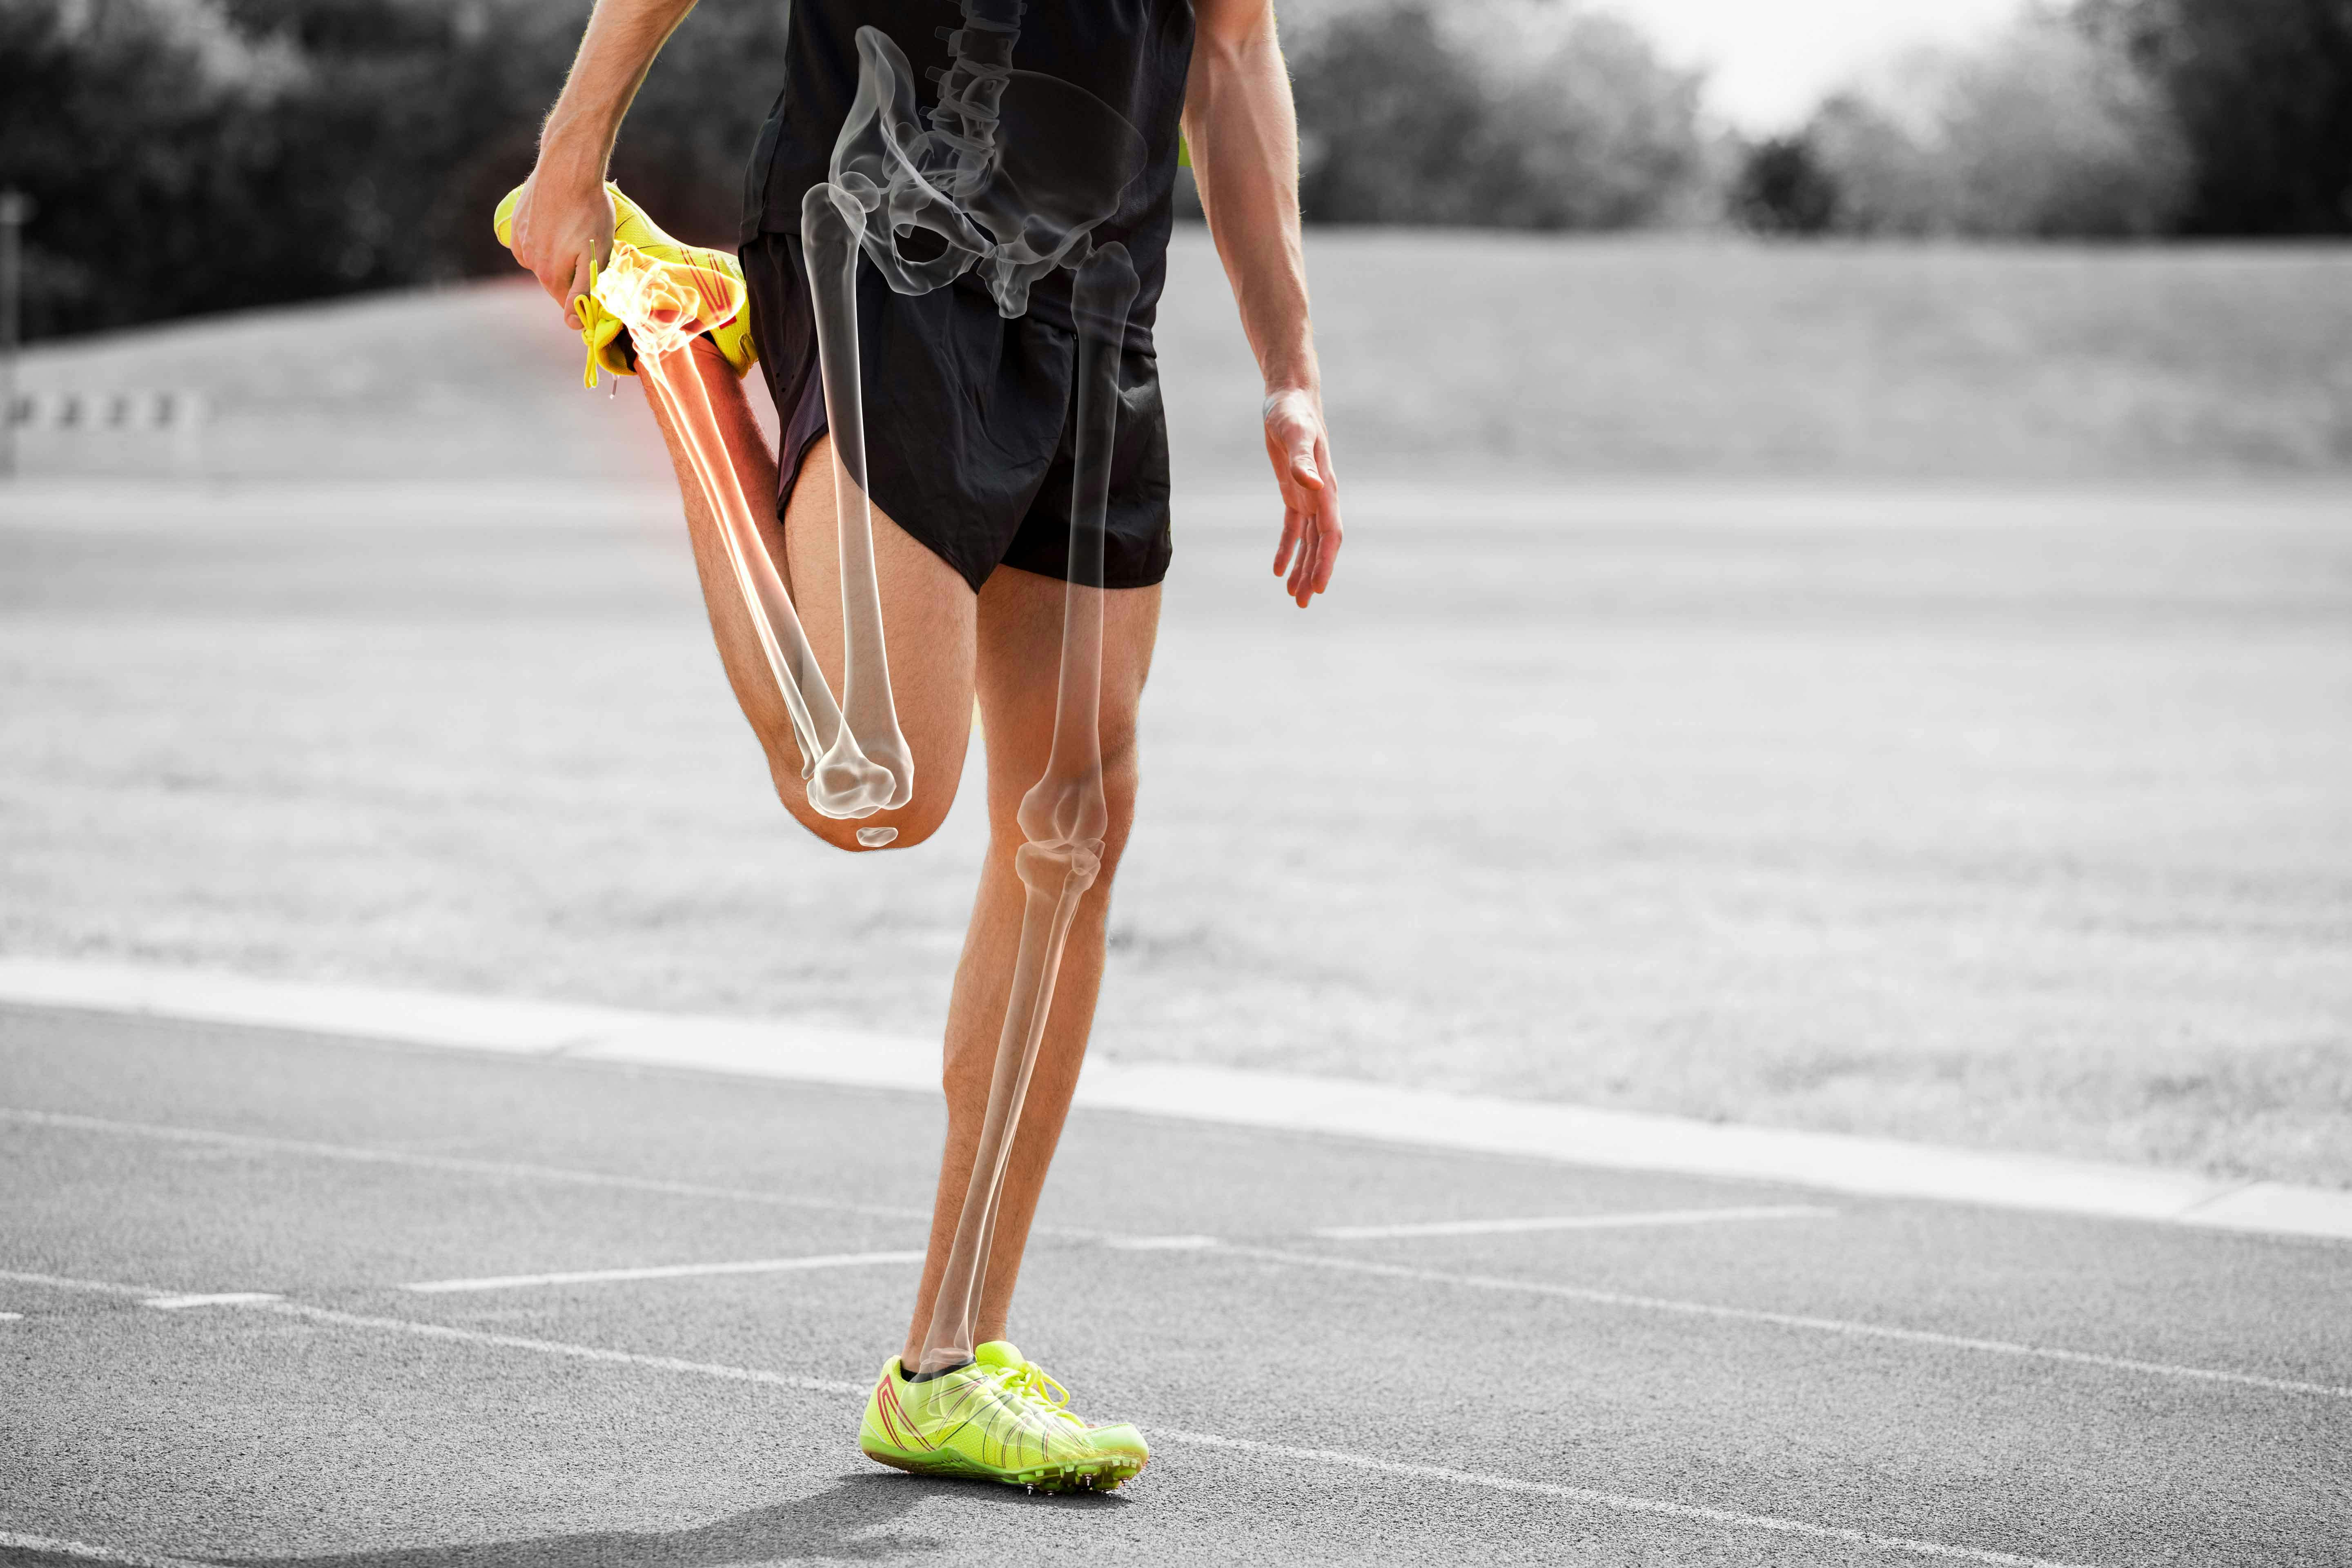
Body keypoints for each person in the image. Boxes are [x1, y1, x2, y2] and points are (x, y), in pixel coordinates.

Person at [500, 0, 1340, 1492]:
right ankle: (680, 355)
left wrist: (1292, 370)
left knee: (1072, 822)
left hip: (1098, 302)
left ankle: (946, 1364)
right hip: (880, 239)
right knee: (871, 784)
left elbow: (1234, 49)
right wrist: (573, 159)